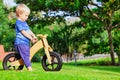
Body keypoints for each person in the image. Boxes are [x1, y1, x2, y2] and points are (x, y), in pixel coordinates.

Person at [14, 3, 38, 71]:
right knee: (26, 55)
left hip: (25, 43)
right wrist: (31, 38)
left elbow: (28, 30)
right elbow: (23, 32)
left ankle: (19, 69)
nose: (27, 17)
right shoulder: (18, 22)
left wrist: (33, 35)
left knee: (25, 55)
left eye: (27, 15)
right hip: (20, 43)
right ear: (19, 14)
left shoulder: (24, 23)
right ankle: (29, 68)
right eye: (26, 15)